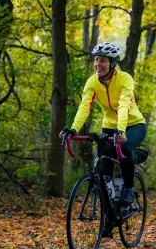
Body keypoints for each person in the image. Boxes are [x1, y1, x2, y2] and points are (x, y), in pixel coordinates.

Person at [60, 42, 147, 208]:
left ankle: (128, 188)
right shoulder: (92, 82)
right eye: (96, 60)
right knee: (103, 172)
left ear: (112, 63)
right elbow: (84, 107)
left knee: (126, 147)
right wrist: (73, 129)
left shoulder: (124, 78)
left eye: (103, 61)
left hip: (133, 124)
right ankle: (108, 219)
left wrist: (121, 129)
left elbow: (123, 105)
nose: (98, 64)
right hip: (108, 126)